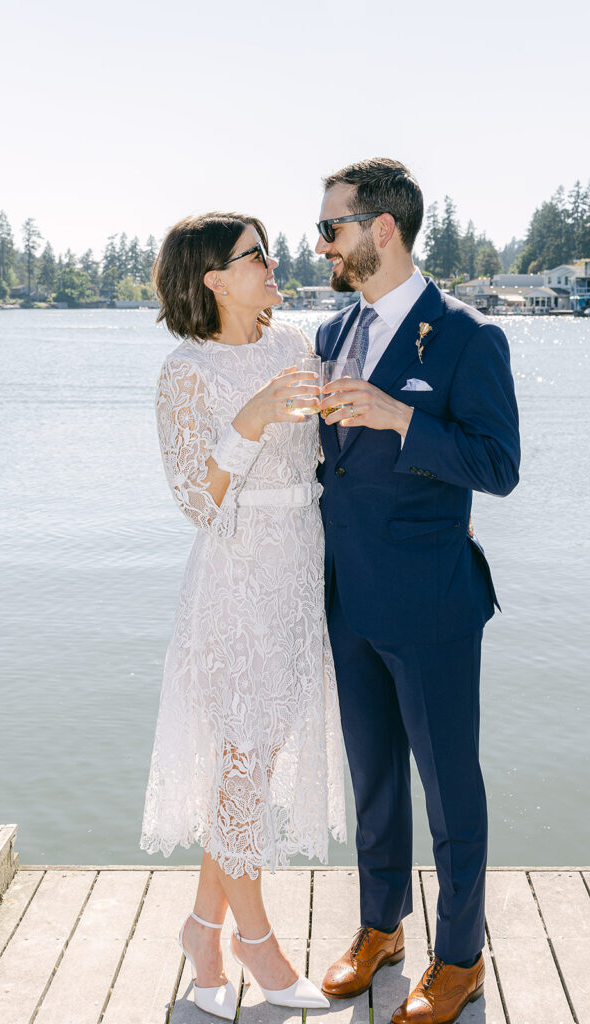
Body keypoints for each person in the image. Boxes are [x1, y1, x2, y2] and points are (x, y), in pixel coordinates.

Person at [313, 159, 520, 1024]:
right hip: (346, 598)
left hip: (432, 603)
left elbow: (497, 466)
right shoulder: (329, 333)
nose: (320, 244)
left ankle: (460, 958)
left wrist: (400, 417)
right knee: (372, 779)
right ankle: (380, 927)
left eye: (331, 228)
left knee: (449, 787)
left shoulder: (468, 336)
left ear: (382, 228)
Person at [140, 212, 346, 1017]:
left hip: (299, 573)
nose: (273, 263)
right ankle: (255, 946)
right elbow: (197, 502)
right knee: (241, 764)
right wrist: (250, 418)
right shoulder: (185, 371)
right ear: (214, 281)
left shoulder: (297, 344)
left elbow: (329, 455)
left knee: (251, 766)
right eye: (255, 255)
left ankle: (201, 932)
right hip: (234, 581)